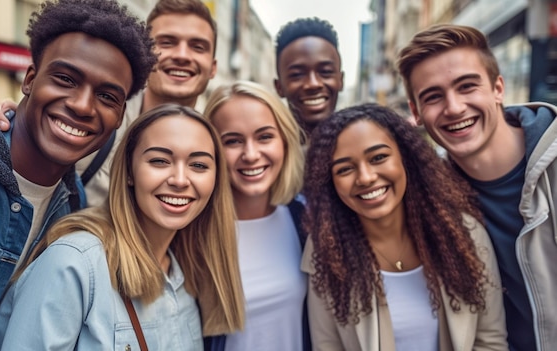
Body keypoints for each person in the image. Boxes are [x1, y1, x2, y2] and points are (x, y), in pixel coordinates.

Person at [0, 0, 156, 349]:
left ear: (119, 115)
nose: (82, 105)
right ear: (30, 79)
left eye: (107, 96)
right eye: (65, 79)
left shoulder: (73, 209)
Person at [0, 104, 245, 350]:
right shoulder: (74, 262)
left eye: (198, 165)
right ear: (129, 171)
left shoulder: (188, 273)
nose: (179, 180)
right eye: (159, 161)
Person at [0, 0, 218, 207]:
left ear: (214, 67)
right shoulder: (95, 127)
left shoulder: (219, 147)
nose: (182, 55)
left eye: (198, 46)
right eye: (167, 42)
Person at [397, 24, 557, 351]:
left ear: (498, 88)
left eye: (467, 86)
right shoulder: (427, 198)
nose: (454, 107)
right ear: (416, 112)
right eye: (433, 96)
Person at [301, 104, 507, 350]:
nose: (365, 177)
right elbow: (327, 346)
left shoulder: (465, 235)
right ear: (330, 182)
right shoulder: (325, 250)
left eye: (378, 158)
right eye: (344, 169)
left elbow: (490, 342)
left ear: (405, 159)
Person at [203, 81, 309, 351]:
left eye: (264, 137)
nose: (251, 154)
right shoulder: (191, 232)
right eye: (233, 141)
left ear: (284, 141)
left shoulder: (306, 223)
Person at [274, 17, 344, 136]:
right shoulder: (264, 152)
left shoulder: (363, 147)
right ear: (279, 87)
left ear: (341, 80)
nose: (313, 84)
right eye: (297, 74)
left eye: (325, 72)